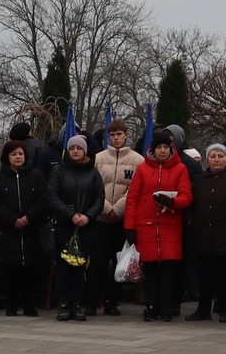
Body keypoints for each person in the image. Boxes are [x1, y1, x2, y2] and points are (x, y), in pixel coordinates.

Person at [125, 129, 194, 321]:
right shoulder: (142, 170)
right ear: (152, 150)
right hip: (146, 227)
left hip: (170, 227)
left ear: (171, 149)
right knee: (151, 270)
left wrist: (172, 202)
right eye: (159, 147)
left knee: (168, 272)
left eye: (166, 147)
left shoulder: (180, 169)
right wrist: (130, 227)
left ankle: (165, 307)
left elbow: (187, 196)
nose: (162, 151)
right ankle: (151, 306)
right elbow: (132, 200)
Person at [187, 144, 226, 323]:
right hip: (202, 236)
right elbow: (192, 206)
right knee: (204, 275)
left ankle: (224, 309)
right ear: (207, 158)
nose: (216, 160)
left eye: (220, 156)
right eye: (213, 156)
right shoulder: (200, 180)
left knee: (224, 277)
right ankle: (203, 309)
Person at [45, 135, 104, 322]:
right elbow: (52, 196)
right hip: (65, 225)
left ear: (85, 151)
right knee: (63, 266)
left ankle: (76, 304)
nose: (76, 151)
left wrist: (88, 216)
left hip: (86, 226)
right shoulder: (58, 171)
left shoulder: (93, 172)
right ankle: (62, 304)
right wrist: (70, 215)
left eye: (79, 148)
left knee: (79, 266)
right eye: (72, 148)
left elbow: (100, 198)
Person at [0, 141, 48, 316]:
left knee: (30, 269)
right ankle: (12, 304)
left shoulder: (36, 176)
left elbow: (44, 199)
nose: (17, 157)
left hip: (31, 230)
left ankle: (29, 304)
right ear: (7, 157)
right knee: (11, 269)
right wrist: (12, 219)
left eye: (20, 154)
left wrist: (29, 217)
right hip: (8, 231)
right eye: (14, 154)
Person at [92, 122, 143, 316]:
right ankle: (92, 301)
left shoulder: (137, 160)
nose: (115, 138)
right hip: (101, 218)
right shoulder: (98, 159)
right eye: (112, 134)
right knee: (98, 263)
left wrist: (118, 209)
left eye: (119, 134)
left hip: (123, 220)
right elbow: (94, 187)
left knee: (118, 262)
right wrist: (106, 208)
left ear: (126, 135)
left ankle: (112, 303)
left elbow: (134, 191)